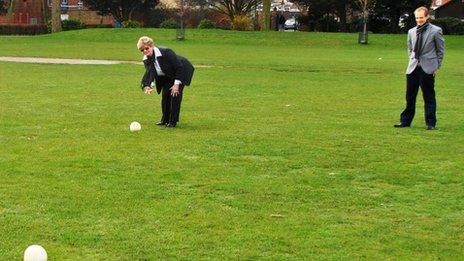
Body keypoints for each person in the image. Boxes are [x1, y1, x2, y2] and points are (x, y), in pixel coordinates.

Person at [394, 6, 445, 130]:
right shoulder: (411, 31)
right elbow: (410, 48)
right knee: (410, 97)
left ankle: (431, 123)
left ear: (427, 17)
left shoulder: (436, 31)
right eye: (417, 18)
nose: (419, 20)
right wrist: (412, 60)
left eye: (421, 17)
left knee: (429, 97)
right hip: (412, 68)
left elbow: (440, 50)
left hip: (428, 68)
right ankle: (405, 121)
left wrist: (436, 67)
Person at [138, 36, 194, 128]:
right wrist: (148, 85)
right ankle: (165, 120)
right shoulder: (146, 59)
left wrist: (176, 84)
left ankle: (173, 122)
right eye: (142, 50)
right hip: (167, 75)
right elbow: (150, 72)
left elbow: (179, 67)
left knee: (175, 94)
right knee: (165, 95)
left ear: (151, 46)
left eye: (146, 48)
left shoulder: (166, 52)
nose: (145, 51)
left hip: (181, 70)